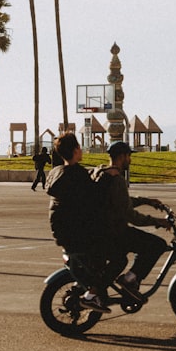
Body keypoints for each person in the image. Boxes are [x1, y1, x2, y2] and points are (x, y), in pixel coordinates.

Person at [92, 142, 171, 302]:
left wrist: (147, 201)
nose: (130, 160)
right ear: (122, 157)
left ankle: (104, 288)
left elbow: (120, 201)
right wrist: (159, 222)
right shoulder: (117, 179)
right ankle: (129, 280)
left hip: (101, 230)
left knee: (122, 258)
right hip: (113, 231)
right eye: (129, 156)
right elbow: (131, 215)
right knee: (157, 244)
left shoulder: (102, 173)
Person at [44, 132, 109, 312]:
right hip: (76, 233)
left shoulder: (57, 172)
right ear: (75, 150)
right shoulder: (78, 175)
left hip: (62, 230)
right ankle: (94, 293)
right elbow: (96, 197)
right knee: (113, 251)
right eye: (79, 147)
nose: (81, 150)